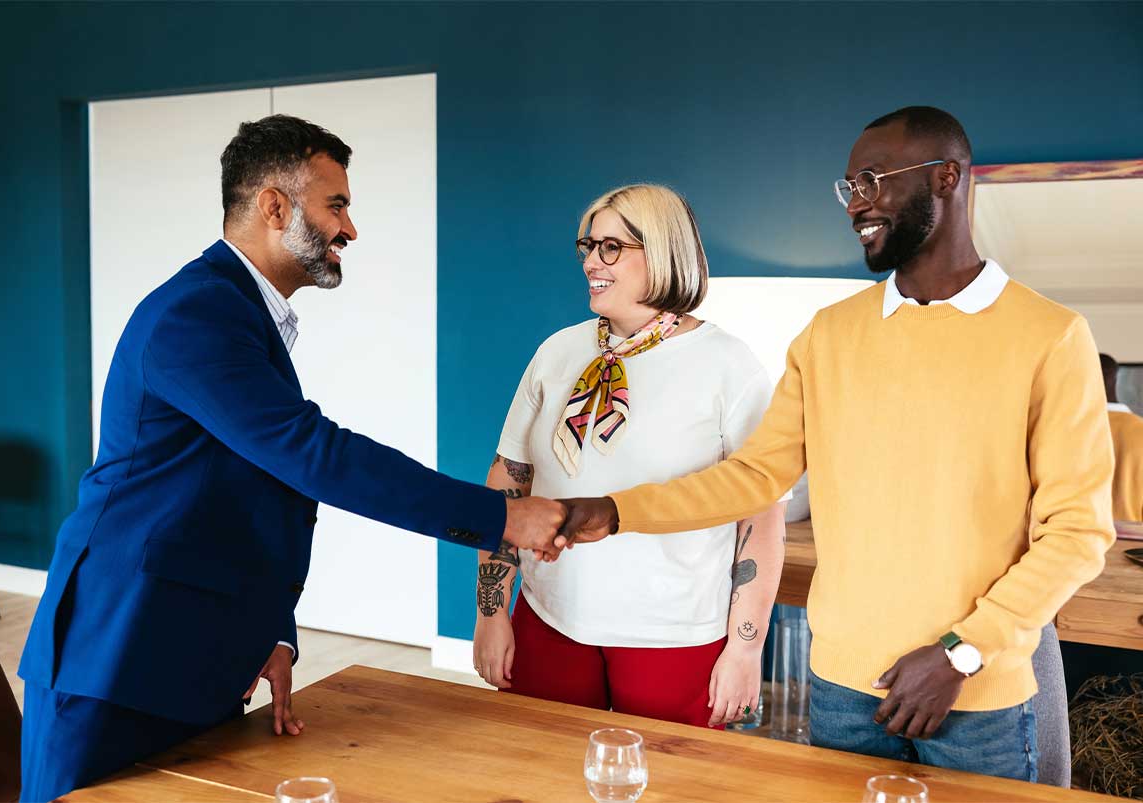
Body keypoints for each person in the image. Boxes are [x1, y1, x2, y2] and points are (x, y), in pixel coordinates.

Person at [16, 115, 566, 802]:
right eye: (336, 205)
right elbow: (314, 456)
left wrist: (273, 630)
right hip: (118, 653)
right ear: (274, 206)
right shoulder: (197, 314)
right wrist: (501, 518)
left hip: (194, 653)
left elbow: (256, 490)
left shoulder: (238, 311)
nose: (350, 229)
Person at [558, 107, 1114, 781]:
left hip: (978, 697)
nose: (857, 204)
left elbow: (1078, 532)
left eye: (873, 180)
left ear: (947, 178)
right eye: (849, 186)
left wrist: (959, 653)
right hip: (844, 690)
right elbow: (753, 477)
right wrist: (616, 511)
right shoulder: (829, 333)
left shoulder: (1050, 335)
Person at [472, 184, 787, 728]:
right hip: (550, 620)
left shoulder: (729, 366)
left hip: (674, 635)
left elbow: (759, 516)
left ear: (663, 251)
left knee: (670, 785)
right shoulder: (556, 351)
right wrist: (491, 615)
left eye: (611, 247)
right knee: (540, 779)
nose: (592, 261)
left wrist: (744, 651)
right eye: (588, 246)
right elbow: (509, 482)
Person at [1101, 352, 1143, 521]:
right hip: (1133, 544)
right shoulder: (1140, 429)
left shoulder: (1066, 430)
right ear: (1115, 380)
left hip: (1077, 543)